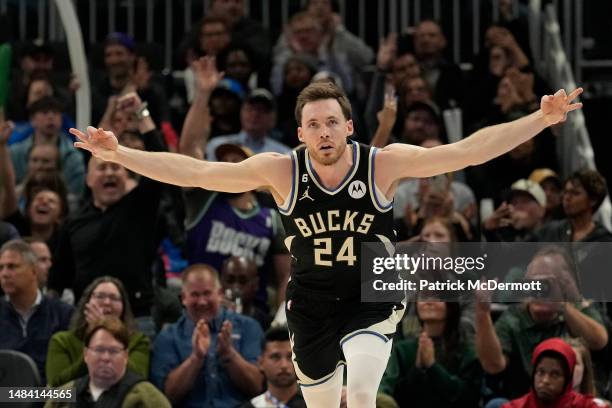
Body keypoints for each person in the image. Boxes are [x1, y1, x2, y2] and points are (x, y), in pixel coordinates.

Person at [71, 68, 583, 406]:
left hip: (370, 291)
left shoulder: (382, 164)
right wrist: (119, 155)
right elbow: (196, 173)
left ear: (348, 127)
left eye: (331, 123)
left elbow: (465, 151)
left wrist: (540, 118)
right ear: (300, 134)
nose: (323, 132)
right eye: (313, 124)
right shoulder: (280, 171)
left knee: (360, 395)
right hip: (311, 302)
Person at [150, 264, 264, 407]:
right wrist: (195, 358)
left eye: (207, 293)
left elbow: (257, 388)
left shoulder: (249, 327)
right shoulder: (167, 337)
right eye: (195, 295)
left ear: (220, 293)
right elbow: (166, 397)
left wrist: (229, 354)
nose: (202, 302)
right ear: (183, 298)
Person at [46, 277, 150, 387]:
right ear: (86, 304)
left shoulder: (139, 341)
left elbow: (138, 379)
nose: (107, 302)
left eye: (114, 298)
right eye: (100, 296)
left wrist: (108, 331)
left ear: (123, 307)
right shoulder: (62, 341)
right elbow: (57, 388)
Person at [44, 317, 170, 408]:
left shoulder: (147, 398)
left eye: (114, 351)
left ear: (126, 356)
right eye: (98, 350)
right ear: (86, 354)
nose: (105, 357)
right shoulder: (63, 396)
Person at [378, 300, 482, 407]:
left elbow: (468, 397)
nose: (429, 301)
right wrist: (417, 370)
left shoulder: (466, 350)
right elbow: (391, 393)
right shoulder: (402, 349)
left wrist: (432, 367)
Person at [0, 239, 72, 383]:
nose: (4, 274)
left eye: (12, 267)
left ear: (33, 271)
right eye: (1, 267)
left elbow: (71, 389)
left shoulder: (64, 315)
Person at [501, 338, 601, 408]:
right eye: (540, 372)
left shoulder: (587, 406)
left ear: (567, 379)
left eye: (555, 374)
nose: (545, 381)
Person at [242, 326, 306, 408]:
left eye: (290, 356)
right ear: (261, 363)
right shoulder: (249, 406)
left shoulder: (315, 404)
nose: (284, 365)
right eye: (275, 357)